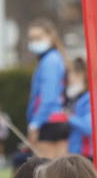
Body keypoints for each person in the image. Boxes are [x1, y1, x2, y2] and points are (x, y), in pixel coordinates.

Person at [26, 20, 68, 158]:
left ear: (50, 37)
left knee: (47, 170)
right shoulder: (55, 58)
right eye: (31, 39)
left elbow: (48, 97)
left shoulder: (49, 61)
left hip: (48, 121)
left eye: (38, 38)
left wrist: (35, 124)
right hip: (57, 119)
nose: (34, 42)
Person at [66, 57, 93, 159]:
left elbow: (88, 128)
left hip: (86, 154)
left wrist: (68, 118)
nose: (70, 78)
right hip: (74, 153)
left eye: (75, 74)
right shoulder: (74, 99)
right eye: (69, 73)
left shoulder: (88, 98)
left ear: (84, 75)